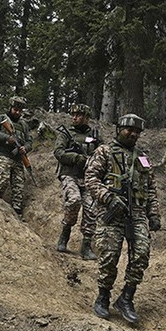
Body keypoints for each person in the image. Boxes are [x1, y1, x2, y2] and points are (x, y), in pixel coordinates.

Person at [85, 113, 161, 324]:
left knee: (141, 254)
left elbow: (150, 187)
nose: (133, 134)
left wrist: (153, 214)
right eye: (130, 130)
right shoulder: (105, 151)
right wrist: (109, 197)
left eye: (137, 131)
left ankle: (126, 297)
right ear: (119, 129)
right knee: (109, 256)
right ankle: (103, 296)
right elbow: (90, 179)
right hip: (112, 213)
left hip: (136, 213)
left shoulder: (143, 157)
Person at [54, 103, 100, 259]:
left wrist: (93, 162)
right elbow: (58, 152)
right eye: (73, 115)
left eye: (78, 115)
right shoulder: (66, 134)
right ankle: (65, 234)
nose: (74, 117)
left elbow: (103, 154)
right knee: (74, 200)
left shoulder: (94, 135)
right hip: (69, 174)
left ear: (86, 118)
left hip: (88, 178)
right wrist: (77, 158)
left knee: (92, 210)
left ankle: (86, 247)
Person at [0, 96, 32, 218]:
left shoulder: (23, 125)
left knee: (19, 185)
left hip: (18, 158)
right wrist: (8, 138)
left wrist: (25, 148)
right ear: (11, 108)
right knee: (2, 180)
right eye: (15, 109)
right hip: (3, 154)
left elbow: (29, 141)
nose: (17, 112)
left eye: (20, 111)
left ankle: (17, 210)